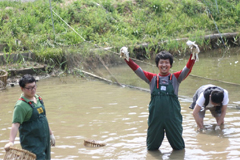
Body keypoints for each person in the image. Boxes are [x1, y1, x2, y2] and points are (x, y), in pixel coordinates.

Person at [120, 46, 199, 150]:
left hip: (173, 119)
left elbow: (187, 69)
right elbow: (137, 70)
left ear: (170, 65)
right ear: (157, 65)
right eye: (161, 62)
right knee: (152, 149)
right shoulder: (151, 78)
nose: (164, 65)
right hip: (155, 119)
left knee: (179, 148)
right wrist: (127, 59)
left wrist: (193, 56)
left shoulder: (176, 78)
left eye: (167, 62)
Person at [4, 74, 55, 159]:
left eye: (34, 86)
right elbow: (15, 124)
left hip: (44, 141)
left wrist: (51, 134)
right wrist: (11, 142)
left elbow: (43, 118)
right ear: (22, 88)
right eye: (29, 88)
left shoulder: (38, 98)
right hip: (32, 145)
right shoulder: (21, 105)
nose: (33, 90)